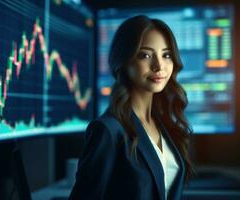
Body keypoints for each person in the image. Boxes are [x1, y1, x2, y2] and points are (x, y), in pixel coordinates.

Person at [69, 15, 195, 200]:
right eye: (145, 55)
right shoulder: (108, 130)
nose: (159, 66)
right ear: (124, 61)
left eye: (166, 55)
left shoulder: (163, 124)